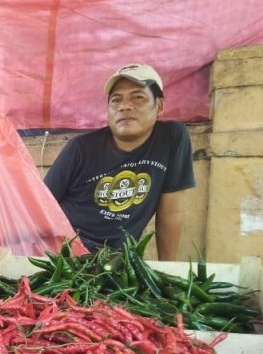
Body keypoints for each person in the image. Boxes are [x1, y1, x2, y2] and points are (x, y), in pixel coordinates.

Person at [43, 63, 195, 260]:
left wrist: (168, 270)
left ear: (159, 106)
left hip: (117, 261)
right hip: (67, 256)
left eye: (138, 97)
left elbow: (171, 211)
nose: (124, 106)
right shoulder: (80, 148)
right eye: (116, 100)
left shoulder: (172, 138)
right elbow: (42, 206)